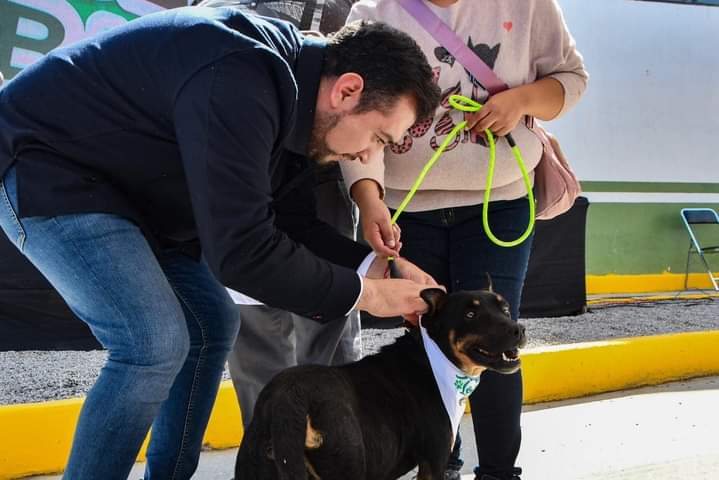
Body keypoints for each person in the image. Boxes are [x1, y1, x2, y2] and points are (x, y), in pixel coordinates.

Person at [0, 6, 441, 480]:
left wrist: (376, 267)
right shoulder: (240, 79)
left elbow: (290, 222)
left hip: (134, 197)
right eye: (378, 137)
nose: (368, 154)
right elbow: (242, 253)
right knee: (152, 343)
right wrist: (368, 297)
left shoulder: (293, 95)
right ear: (347, 90)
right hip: (45, 167)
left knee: (212, 324)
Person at [342, 1, 588, 479]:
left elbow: (571, 79)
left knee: (498, 340)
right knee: (428, 349)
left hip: (500, 201)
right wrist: (369, 200)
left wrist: (520, 101)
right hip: (405, 208)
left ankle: (499, 472)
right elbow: (355, 116)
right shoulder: (374, 9)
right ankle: (441, 466)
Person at [194, 0, 365, 430]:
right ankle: (271, 449)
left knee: (331, 333)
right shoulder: (222, 15)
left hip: (321, 168)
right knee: (256, 339)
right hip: (245, 160)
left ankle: (343, 447)